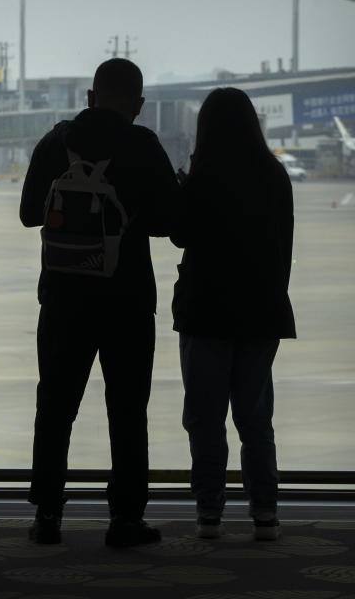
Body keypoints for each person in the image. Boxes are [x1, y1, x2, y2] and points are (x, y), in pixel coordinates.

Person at [20, 58, 179, 546]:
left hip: (64, 299)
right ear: (138, 104)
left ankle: (47, 516)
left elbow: (29, 214)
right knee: (127, 410)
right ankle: (125, 520)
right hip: (127, 301)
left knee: (55, 405)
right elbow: (170, 225)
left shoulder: (55, 142)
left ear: (90, 97)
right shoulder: (144, 146)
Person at [171, 87, 295, 541]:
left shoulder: (203, 178)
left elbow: (178, 235)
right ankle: (265, 511)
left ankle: (209, 513)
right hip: (261, 313)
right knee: (255, 418)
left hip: (206, 312)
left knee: (206, 418)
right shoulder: (274, 175)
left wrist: (182, 188)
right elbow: (285, 248)